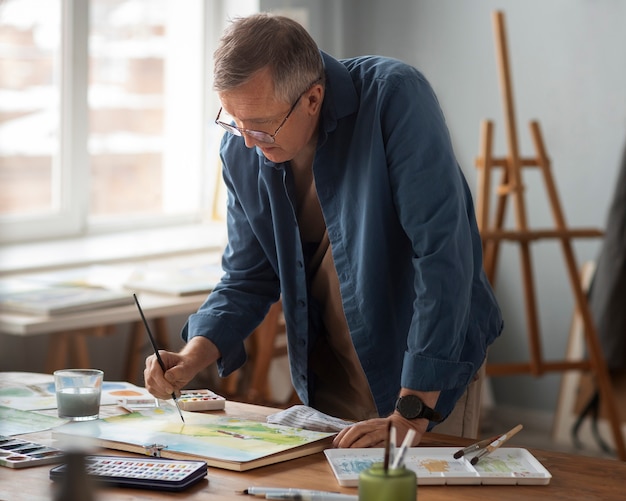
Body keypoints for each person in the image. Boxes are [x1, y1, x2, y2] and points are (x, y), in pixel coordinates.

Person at [144, 13, 503, 448]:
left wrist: (412, 412)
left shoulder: (394, 98)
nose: (247, 141)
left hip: (426, 375)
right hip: (327, 375)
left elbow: (443, 256)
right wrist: (190, 355)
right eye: (232, 120)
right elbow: (248, 276)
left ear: (312, 98)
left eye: (259, 123)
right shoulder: (241, 148)